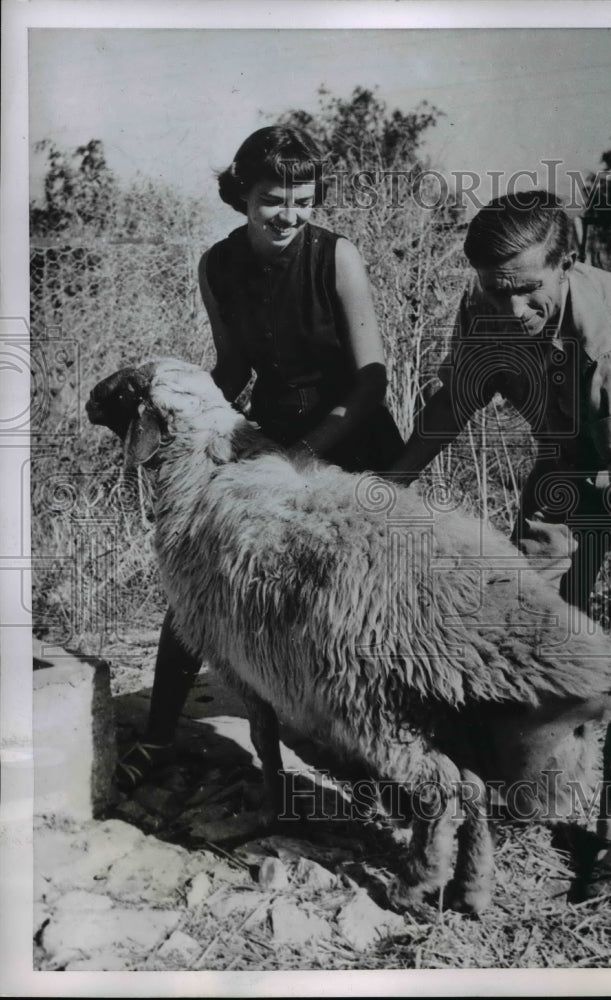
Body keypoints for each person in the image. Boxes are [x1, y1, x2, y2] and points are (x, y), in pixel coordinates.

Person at [386, 190, 611, 896]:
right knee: (519, 620)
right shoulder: (487, 306)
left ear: (568, 264)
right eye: (495, 289)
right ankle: (511, 791)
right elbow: (454, 403)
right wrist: (385, 491)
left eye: (527, 289)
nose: (511, 309)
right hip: (568, 454)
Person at [117, 125, 404, 791]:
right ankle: (157, 735)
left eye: (303, 200)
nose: (289, 215)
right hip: (270, 432)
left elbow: (371, 382)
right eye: (273, 199)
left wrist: (303, 458)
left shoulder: (337, 257)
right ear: (241, 196)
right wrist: (183, 419)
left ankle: (383, 751)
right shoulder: (217, 265)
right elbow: (233, 368)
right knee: (199, 577)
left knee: (363, 596)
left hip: (353, 436)